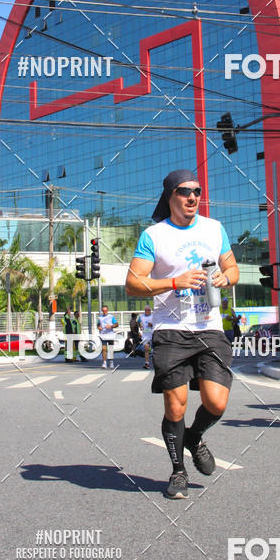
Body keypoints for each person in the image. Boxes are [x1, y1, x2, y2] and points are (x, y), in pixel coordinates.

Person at [125, 169, 239, 499]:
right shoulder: (154, 235)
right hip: (171, 329)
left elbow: (232, 267)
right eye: (184, 191)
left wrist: (226, 278)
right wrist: (174, 282)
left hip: (209, 327)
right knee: (175, 407)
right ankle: (178, 471)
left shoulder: (214, 228)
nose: (192, 197)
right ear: (170, 196)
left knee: (216, 402)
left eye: (197, 191)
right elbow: (133, 284)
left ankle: (194, 436)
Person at [97, 305, 118, 369]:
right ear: (102, 311)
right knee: (104, 349)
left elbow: (117, 324)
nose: (104, 312)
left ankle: (111, 362)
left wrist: (111, 326)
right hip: (103, 335)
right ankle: (104, 362)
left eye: (105, 310)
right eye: (103, 311)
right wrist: (99, 327)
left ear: (107, 310)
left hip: (110, 335)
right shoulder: (100, 318)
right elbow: (98, 324)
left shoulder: (111, 317)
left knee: (110, 349)